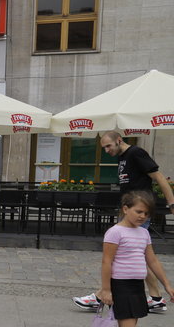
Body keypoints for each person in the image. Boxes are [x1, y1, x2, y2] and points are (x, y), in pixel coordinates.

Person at [73, 131, 174, 312]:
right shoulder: (122, 157)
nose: (106, 150)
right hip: (129, 211)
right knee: (138, 254)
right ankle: (156, 297)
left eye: (108, 146)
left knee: (124, 253)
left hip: (139, 211)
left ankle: (99, 296)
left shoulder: (136, 153)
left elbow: (158, 177)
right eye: (103, 147)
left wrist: (172, 202)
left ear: (119, 140)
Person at [82, 191, 174, 327]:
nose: (142, 216)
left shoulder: (143, 233)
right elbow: (106, 262)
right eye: (139, 211)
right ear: (125, 209)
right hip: (120, 285)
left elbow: (152, 260)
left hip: (136, 286)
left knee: (130, 326)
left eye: (146, 214)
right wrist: (106, 289)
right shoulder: (115, 232)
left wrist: (166, 284)